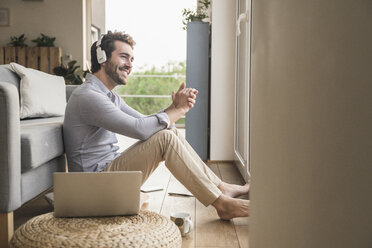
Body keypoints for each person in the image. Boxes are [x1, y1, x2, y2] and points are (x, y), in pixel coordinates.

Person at [63, 31, 249, 220]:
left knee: (168, 131)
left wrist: (173, 107)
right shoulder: (88, 97)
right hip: (93, 188)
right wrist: (180, 110)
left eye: (132, 59)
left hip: (106, 177)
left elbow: (145, 121)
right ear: (102, 58)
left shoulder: (108, 96)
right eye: (124, 56)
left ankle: (220, 188)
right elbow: (140, 129)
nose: (130, 65)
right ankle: (222, 205)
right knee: (165, 138)